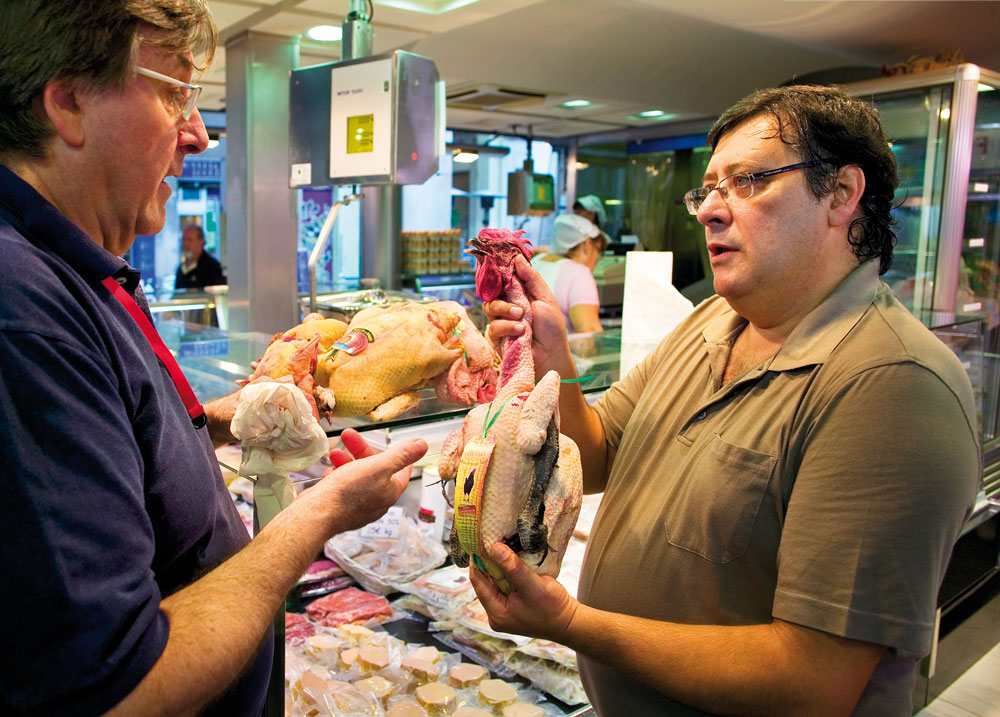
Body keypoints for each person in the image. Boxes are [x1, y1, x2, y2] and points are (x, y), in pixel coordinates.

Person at [471, 85, 980, 715]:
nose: (711, 210)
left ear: (842, 195)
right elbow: (596, 456)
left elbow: (810, 682)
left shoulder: (891, 383)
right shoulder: (709, 320)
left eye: (749, 181)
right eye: (707, 189)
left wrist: (570, 623)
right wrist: (553, 361)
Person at [0, 2, 426, 714]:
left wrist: (222, 421)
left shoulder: (81, 267)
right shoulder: (22, 306)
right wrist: (317, 516)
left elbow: (114, 439)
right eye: (174, 93)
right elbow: (119, 688)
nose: (197, 132)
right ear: (68, 102)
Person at [531, 214, 605, 333]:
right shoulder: (579, 273)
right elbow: (589, 333)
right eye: (598, 250)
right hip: (558, 351)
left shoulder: (536, 261)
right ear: (588, 244)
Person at [176, 222, 226, 288]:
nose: (185, 244)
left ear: (201, 241)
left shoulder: (213, 267)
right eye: (184, 239)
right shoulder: (181, 269)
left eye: (190, 240)